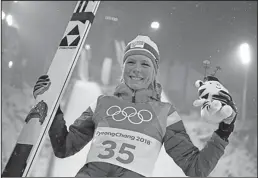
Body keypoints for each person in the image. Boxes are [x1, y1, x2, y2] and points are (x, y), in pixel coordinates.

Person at [33, 35, 237, 177]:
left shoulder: (165, 113)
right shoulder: (102, 103)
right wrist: (53, 107)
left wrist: (225, 129)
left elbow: (196, 169)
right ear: (123, 67)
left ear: (154, 71)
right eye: (131, 62)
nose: (136, 70)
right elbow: (64, 147)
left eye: (145, 64)